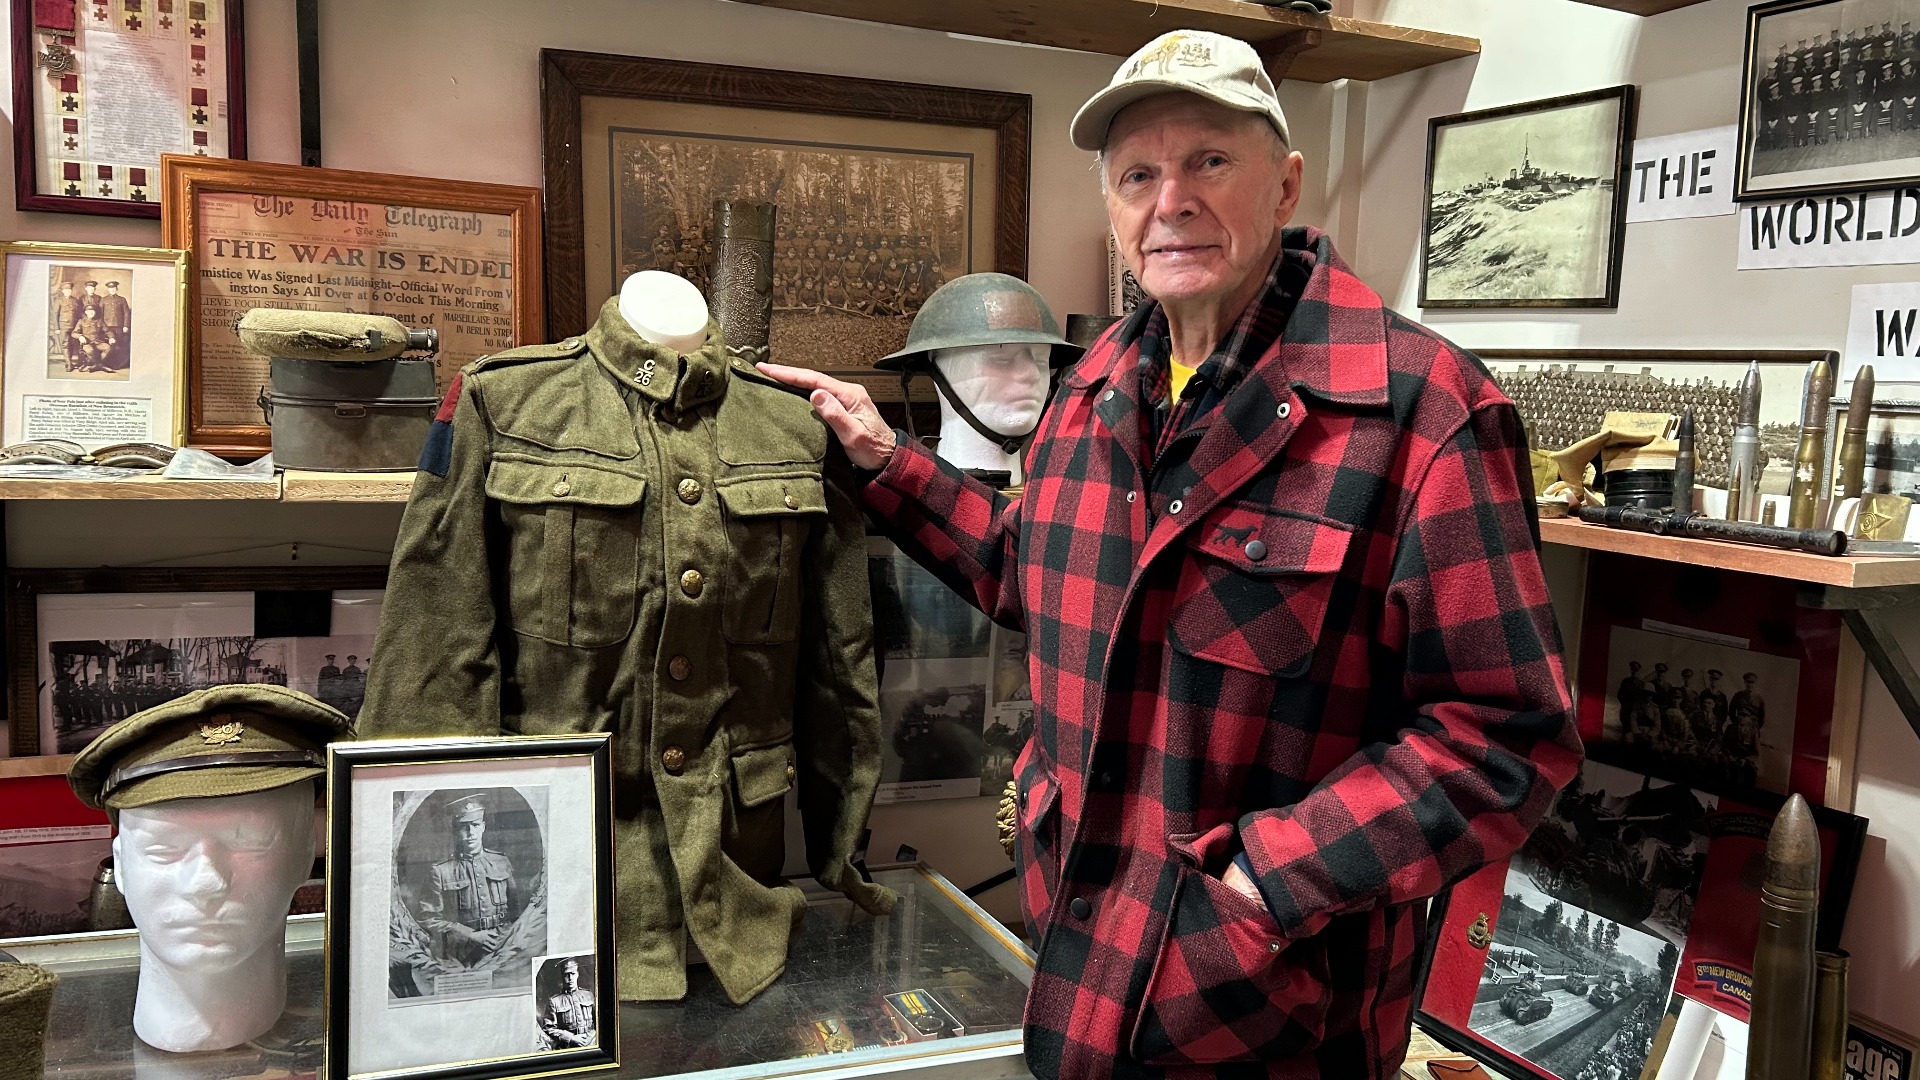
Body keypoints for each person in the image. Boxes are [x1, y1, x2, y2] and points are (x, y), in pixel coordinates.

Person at [757, 28, 1579, 1079]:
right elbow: (1032, 572)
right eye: (1138, 175)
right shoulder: (1098, 381)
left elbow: (1506, 738)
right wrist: (884, 461)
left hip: (1271, 1017)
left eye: (1209, 162)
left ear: (1285, 184)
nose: (1170, 202)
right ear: (1111, 206)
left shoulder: (1422, 412)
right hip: (1080, 960)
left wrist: (1267, 882)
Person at [414, 792, 522, 968]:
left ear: (483, 827)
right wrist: (469, 935)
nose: (471, 833)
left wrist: (504, 937)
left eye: (475, 825)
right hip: (462, 954)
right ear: (455, 830)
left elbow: (516, 912)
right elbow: (428, 919)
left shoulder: (501, 862)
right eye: (464, 827)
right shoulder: (440, 871)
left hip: (503, 947)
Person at [538, 957, 597, 1049]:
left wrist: (590, 1037)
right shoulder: (554, 1001)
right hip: (568, 1047)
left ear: (577, 974)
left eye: (573, 973)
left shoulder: (588, 995)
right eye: (566, 975)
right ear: (562, 976)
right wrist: (570, 1038)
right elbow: (548, 1028)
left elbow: (599, 1021)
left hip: (592, 1043)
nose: (570, 978)